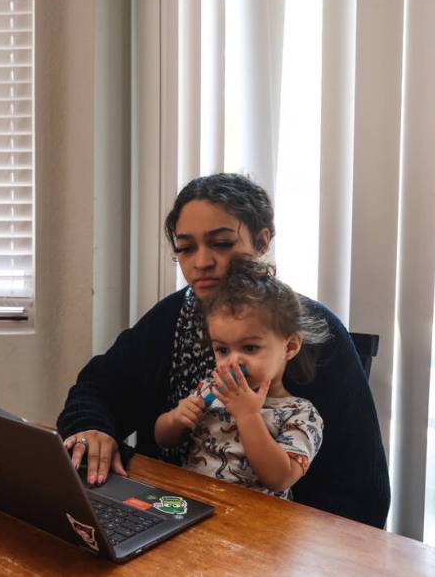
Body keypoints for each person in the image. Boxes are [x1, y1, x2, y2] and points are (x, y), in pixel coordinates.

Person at [56, 173, 391, 527]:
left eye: (221, 243)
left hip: (274, 536)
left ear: (262, 242)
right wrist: (91, 427)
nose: (201, 262)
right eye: (186, 248)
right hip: (169, 513)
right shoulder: (170, 317)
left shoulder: (316, 334)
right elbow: (97, 389)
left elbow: (362, 494)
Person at [157, 257, 325, 498]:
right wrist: (175, 418)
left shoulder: (300, 414)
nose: (232, 361)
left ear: (290, 347)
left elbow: (280, 478)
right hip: (192, 505)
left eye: (249, 348)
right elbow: (163, 440)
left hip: (254, 523)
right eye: (222, 350)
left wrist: (248, 415)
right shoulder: (212, 388)